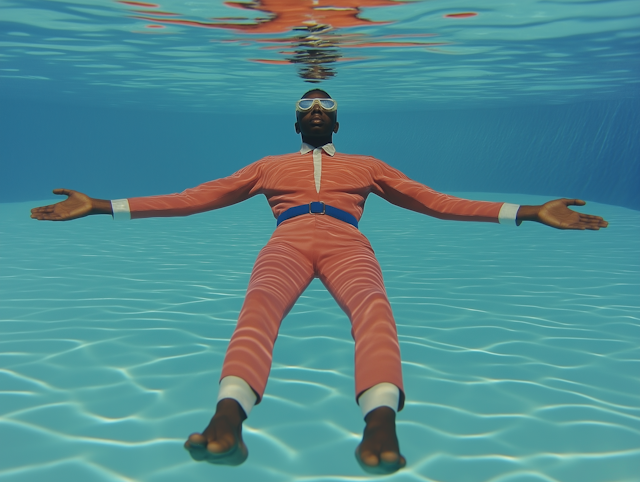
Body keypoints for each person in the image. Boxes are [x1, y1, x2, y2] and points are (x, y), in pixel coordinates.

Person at [30, 89, 609, 474]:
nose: (315, 109)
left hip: (347, 242)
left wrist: (530, 212)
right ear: (295, 120)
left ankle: (380, 421)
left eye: (324, 104)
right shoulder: (267, 166)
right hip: (285, 240)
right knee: (257, 313)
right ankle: (227, 416)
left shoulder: (368, 166)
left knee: (373, 313)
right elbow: (193, 199)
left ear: (336, 119)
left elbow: (438, 203)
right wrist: (103, 205)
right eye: (307, 104)